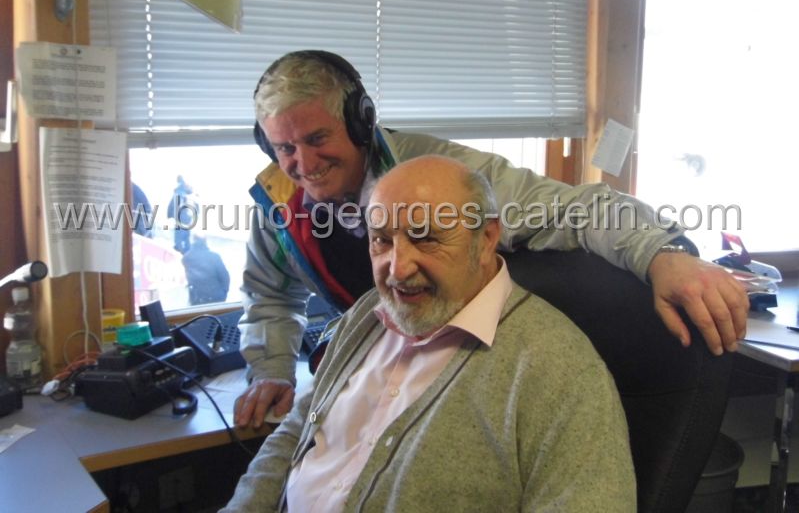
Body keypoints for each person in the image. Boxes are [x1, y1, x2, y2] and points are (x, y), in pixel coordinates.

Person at [235, 50, 749, 429]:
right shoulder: (279, 202)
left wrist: (661, 254)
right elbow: (269, 296)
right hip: (372, 374)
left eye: (317, 139)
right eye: (284, 148)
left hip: (459, 385)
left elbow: (577, 208)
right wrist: (272, 371)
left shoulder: (443, 176)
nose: (304, 164)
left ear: (359, 121)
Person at [223, 156, 636, 512]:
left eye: (425, 238)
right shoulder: (367, 314)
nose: (398, 268)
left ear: (486, 238)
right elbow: (298, 429)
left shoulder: (560, 371)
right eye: (382, 241)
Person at [181, 234, 231, 305]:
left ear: (193, 240)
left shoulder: (186, 258)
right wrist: (223, 293)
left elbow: (190, 279)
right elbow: (225, 277)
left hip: (197, 299)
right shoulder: (214, 257)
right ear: (205, 241)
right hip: (216, 298)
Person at [167, 175, 196, 254]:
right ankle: (187, 251)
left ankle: (179, 250)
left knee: (179, 235)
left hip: (181, 217)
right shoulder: (187, 191)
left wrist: (170, 214)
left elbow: (174, 205)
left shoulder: (179, 192)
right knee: (186, 235)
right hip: (188, 217)